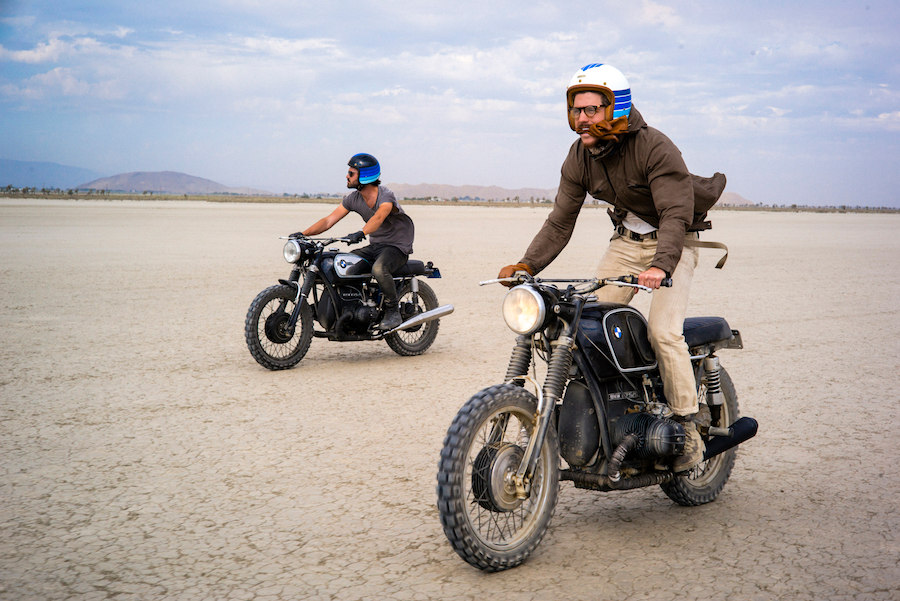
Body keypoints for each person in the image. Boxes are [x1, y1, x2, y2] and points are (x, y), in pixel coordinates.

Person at [498, 63, 727, 472]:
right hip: (625, 244)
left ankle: (687, 426)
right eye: (575, 110)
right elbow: (560, 220)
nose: (580, 119)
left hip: (673, 244)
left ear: (616, 108)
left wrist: (661, 266)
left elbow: (676, 213)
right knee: (585, 323)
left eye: (590, 110)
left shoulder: (655, 147)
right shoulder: (579, 156)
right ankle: (615, 412)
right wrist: (526, 265)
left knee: (663, 331)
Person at [299, 153, 415, 331]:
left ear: (365, 176)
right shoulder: (353, 198)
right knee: (345, 265)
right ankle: (351, 308)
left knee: (379, 269)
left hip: (397, 246)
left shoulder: (386, 196)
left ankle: (393, 311)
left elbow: (378, 217)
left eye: (351, 173)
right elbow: (329, 220)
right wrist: (303, 234)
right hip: (376, 246)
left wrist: (361, 233)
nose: (347, 176)